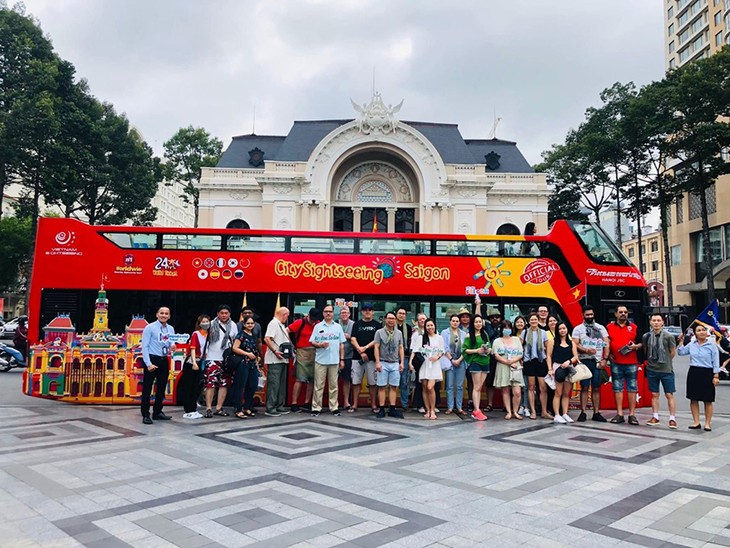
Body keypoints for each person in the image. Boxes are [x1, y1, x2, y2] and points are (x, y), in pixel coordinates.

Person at [677, 324, 720, 431]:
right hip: (694, 372)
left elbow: (716, 361)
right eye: (699, 330)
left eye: (703, 330)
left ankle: (707, 423)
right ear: (695, 334)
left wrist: (716, 375)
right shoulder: (692, 344)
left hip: (707, 372)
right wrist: (681, 341)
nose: (701, 332)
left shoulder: (712, 346)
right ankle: (696, 422)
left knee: (708, 400)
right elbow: (681, 352)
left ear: (706, 332)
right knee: (693, 398)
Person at [572, 305, 609, 423]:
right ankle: (583, 412)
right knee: (584, 387)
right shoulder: (578, 329)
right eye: (587, 315)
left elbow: (606, 343)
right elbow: (575, 344)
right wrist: (586, 350)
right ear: (583, 315)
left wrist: (605, 359)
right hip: (584, 361)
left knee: (596, 387)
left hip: (597, 361)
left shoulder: (601, 328)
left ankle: (596, 412)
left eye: (591, 314)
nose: (589, 317)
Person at [607, 305, 642, 425]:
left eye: (625, 312)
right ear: (615, 314)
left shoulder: (634, 327)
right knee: (617, 388)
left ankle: (632, 415)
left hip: (631, 362)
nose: (623, 314)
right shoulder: (609, 327)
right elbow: (605, 343)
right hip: (616, 362)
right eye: (621, 312)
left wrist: (635, 346)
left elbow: (641, 343)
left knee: (632, 388)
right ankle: (619, 414)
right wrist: (608, 355)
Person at [140, 306, 176, 424]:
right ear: (157, 314)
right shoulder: (149, 328)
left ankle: (157, 412)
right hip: (152, 359)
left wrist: (173, 346)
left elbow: (171, 342)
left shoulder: (170, 329)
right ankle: (145, 414)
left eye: (166, 313)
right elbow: (144, 346)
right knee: (147, 388)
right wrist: (148, 363)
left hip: (164, 359)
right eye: (162, 313)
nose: (164, 315)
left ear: (169, 316)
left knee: (161, 388)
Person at [309, 305, 346, 417]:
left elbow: (342, 344)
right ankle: (316, 408)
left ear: (333, 313)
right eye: (326, 311)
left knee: (333, 386)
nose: (328, 313)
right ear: (323, 313)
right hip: (320, 360)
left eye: (330, 311)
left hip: (334, 360)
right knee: (318, 386)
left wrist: (342, 359)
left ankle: (334, 407)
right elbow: (312, 342)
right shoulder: (317, 326)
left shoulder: (338, 327)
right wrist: (320, 345)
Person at [642, 313, 677, 428]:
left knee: (669, 394)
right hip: (652, 369)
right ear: (650, 322)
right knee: (654, 394)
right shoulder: (646, 336)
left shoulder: (668, 336)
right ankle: (655, 416)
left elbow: (672, 352)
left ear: (662, 322)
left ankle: (672, 418)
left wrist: (665, 360)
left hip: (666, 370)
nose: (656, 323)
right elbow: (646, 350)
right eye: (654, 320)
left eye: (658, 320)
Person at [203, 304, 238, 418]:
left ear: (229, 314)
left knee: (224, 384)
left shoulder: (233, 325)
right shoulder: (210, 324)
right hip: (212, 357)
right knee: (210, 384)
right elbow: (203, 339)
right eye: (222, 313)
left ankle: (219, 408)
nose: (224, 315)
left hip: (226, 359)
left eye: (226, 313)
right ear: (217, 314)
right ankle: (208, 408)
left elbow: (235, 340)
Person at [288, 308, 322, 413]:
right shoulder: (300, 322)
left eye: (315, 320)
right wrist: (291, 345)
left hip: (315, 351)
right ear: (308, 315)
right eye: (312, 319)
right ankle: (294, 403)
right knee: (300, 378)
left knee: (312, 379)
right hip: (302, 352)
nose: (313, 321)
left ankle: (307, 402)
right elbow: (286, 331)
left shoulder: (318, 324)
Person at [351, 303, 382, 413]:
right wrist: (360, 350)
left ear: (373, 312)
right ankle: (354, 404)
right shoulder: (356, 324)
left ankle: (373, 405)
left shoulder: (378, 325)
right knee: (356, 382)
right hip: (357, 358)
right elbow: (353, 339)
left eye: (369, 310)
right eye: (365, 310)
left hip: (372, 358)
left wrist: (365, 347)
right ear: (362, 312)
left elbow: (377, 340)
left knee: (373, 383)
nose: (367, 312)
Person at [374, 311, 405, 418]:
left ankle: (392, 408)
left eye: (393, 318)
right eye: (389, 318)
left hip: (395, 362)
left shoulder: (399, 333)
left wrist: (402, 362)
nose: (391, 320)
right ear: (385, 319)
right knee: (382, 386)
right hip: (383, 362)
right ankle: (381, 408)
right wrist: (377, 362)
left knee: (394, 386)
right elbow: (376, 347)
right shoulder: (379, 332)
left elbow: (401, 347)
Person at [547, 322, 580, 424]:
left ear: (567, 329)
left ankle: (565, 413)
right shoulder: (552, 341)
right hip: (557, 368)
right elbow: (548, 356)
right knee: (558, 393)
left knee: (566, 393)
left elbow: (576, 357)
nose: (562, 330)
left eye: (564, 328)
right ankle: (557, 414)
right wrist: (550, 369)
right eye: (560, 329)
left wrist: (569, 361)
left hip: (569, 368)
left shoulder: (572, 343)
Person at [230, 316, 262, 419]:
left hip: (252, 364)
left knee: (252, 385)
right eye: (248, 323)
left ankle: (247, 407)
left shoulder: (253, 335)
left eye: (252, 323)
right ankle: (238, 409)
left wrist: (257, 363)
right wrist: (247, 354)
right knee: (240, 386)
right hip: (243, 363)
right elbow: (235, 348)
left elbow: (255, 351)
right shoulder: (241, 335)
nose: (250, 325)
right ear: (244, 324)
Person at [522, 313, 552, 419]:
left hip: (541, 361)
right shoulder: (525, 332)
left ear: (538, 320)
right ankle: (533, 411)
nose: (533, 321)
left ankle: (544, 411)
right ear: (529, 321)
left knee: (543, 387)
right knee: (531, 387)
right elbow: (520, 346)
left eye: (535, 319)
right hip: (529, 361)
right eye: (531, 319)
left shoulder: (543, 333)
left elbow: (547, 348)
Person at [492, 319, 524, 420]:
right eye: (505, 328)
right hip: (503, 366)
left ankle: (516, 411)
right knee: (505, 390)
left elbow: (520, 353)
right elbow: (496, 355)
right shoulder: (497, 341)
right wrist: (507, 362)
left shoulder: (516, 339)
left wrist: (513, 361)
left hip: (515, 367)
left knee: (517, 391)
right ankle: (509, 411)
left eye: (509, 328)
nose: (507, 330)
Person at [413, 318, 444, 420]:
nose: (430, 327)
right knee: (425, 388)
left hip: (434, 365)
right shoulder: (421, 338)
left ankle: (433, 409)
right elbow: (416, 350)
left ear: (434, 326)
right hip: (424, 364)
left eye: (431, 325)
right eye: (428, 325)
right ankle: (427, 410)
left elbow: (442, 351)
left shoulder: (439, 338)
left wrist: (437, 357)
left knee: (431, 387)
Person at [264, 307, 292, 417]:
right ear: (283, 314)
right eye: (287, 315)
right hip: (274, 360)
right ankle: (270, 407)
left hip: (283, 359)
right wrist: (275, 351)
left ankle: (279, 406)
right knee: (274, 384)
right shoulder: (274, 323)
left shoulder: (281, 325)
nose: (287, 318)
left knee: (281, 384)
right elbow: (267, 338)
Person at [462, 315, 491, 421]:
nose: (478, 324)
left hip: (485, 361)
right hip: (475, 362)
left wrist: (488, 350)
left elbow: (489, 346)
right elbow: (465, 350)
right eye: (476, 322)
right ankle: (476, 410)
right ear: (472, 324)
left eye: (480, 322)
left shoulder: (485, 334)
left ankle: (477, 409)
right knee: (476, 387)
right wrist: (476, 351)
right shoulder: (469, 335)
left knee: (480, 387)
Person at [180, 314, 209, 419]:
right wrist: (194, 362)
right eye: (203, 322)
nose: (205, 323)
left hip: (200, 361)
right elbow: (192, 348)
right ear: (199, 323)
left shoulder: (208, 335)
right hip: (192, 362)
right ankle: (188, 410)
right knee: (189, 386)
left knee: (196, 387)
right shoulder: (196, 334)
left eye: (207, 321)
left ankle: (193, 409)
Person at [442, 314, 467, 415]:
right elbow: (444, 347)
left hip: (461, 360)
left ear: (459, 323)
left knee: (460, 386)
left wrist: (459, 360)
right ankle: (450, 407)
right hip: (450, 360)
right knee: (450, 386)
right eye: (453, 321)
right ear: (450, 322)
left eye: (457, 321)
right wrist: (452, 360)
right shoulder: (445, 332)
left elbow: (465, 348)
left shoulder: (464, 334)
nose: (455, 323)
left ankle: (459, 407)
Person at [484, 307, 502, 412]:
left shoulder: (504, 327)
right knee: (489, 383)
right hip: (489, 358)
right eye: (492, 317)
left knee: (504, 382)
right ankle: (490, 404)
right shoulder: (486, 327)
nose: (495, 319)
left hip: (502, 358)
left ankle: (506, 405)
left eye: (497, 317)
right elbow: (478, 317)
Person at [409, 312, 427, 412]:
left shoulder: (433, 331)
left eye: (424, 319)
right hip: (419, 359)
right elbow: (413, 349)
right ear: (417, 322)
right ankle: (419, 404)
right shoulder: (416, 333)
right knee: (420, 383)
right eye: (420, 319)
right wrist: (411, 362)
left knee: (431, 383)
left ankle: (431, 404)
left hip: (431, 360)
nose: (422, 321)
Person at [338, 306, 356, 412]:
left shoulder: (353, 324)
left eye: (346, 312)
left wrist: (349, 337)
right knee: (334, 380)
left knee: (347, 379)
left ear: (349, 314)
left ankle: (346, 402)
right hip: (335, 356)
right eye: (342, 313)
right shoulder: (335, 324)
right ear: (340, 314)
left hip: (349, 355)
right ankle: (334, 402)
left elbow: (356, 338)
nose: (344, 314)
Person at [395, 307, 413, 411]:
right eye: (400, 313)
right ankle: (391, 404)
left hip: (405, 357)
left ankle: (404, 404)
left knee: (404, 381)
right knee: (392, 382)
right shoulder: (391, 326)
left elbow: (410, 343)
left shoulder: (408, 328)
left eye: (403, 313)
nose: (401, 315)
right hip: (392, 358)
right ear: (396, 314)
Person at [457, 307, 474, 410]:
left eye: (467, 316)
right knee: (459, 382)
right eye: (463, 316)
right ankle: (458, 402)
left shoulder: (473, 328)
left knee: (471, 380)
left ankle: (471, 400)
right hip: (459, 358)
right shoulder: (456, 327)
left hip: (471, 357)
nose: (465, 318)